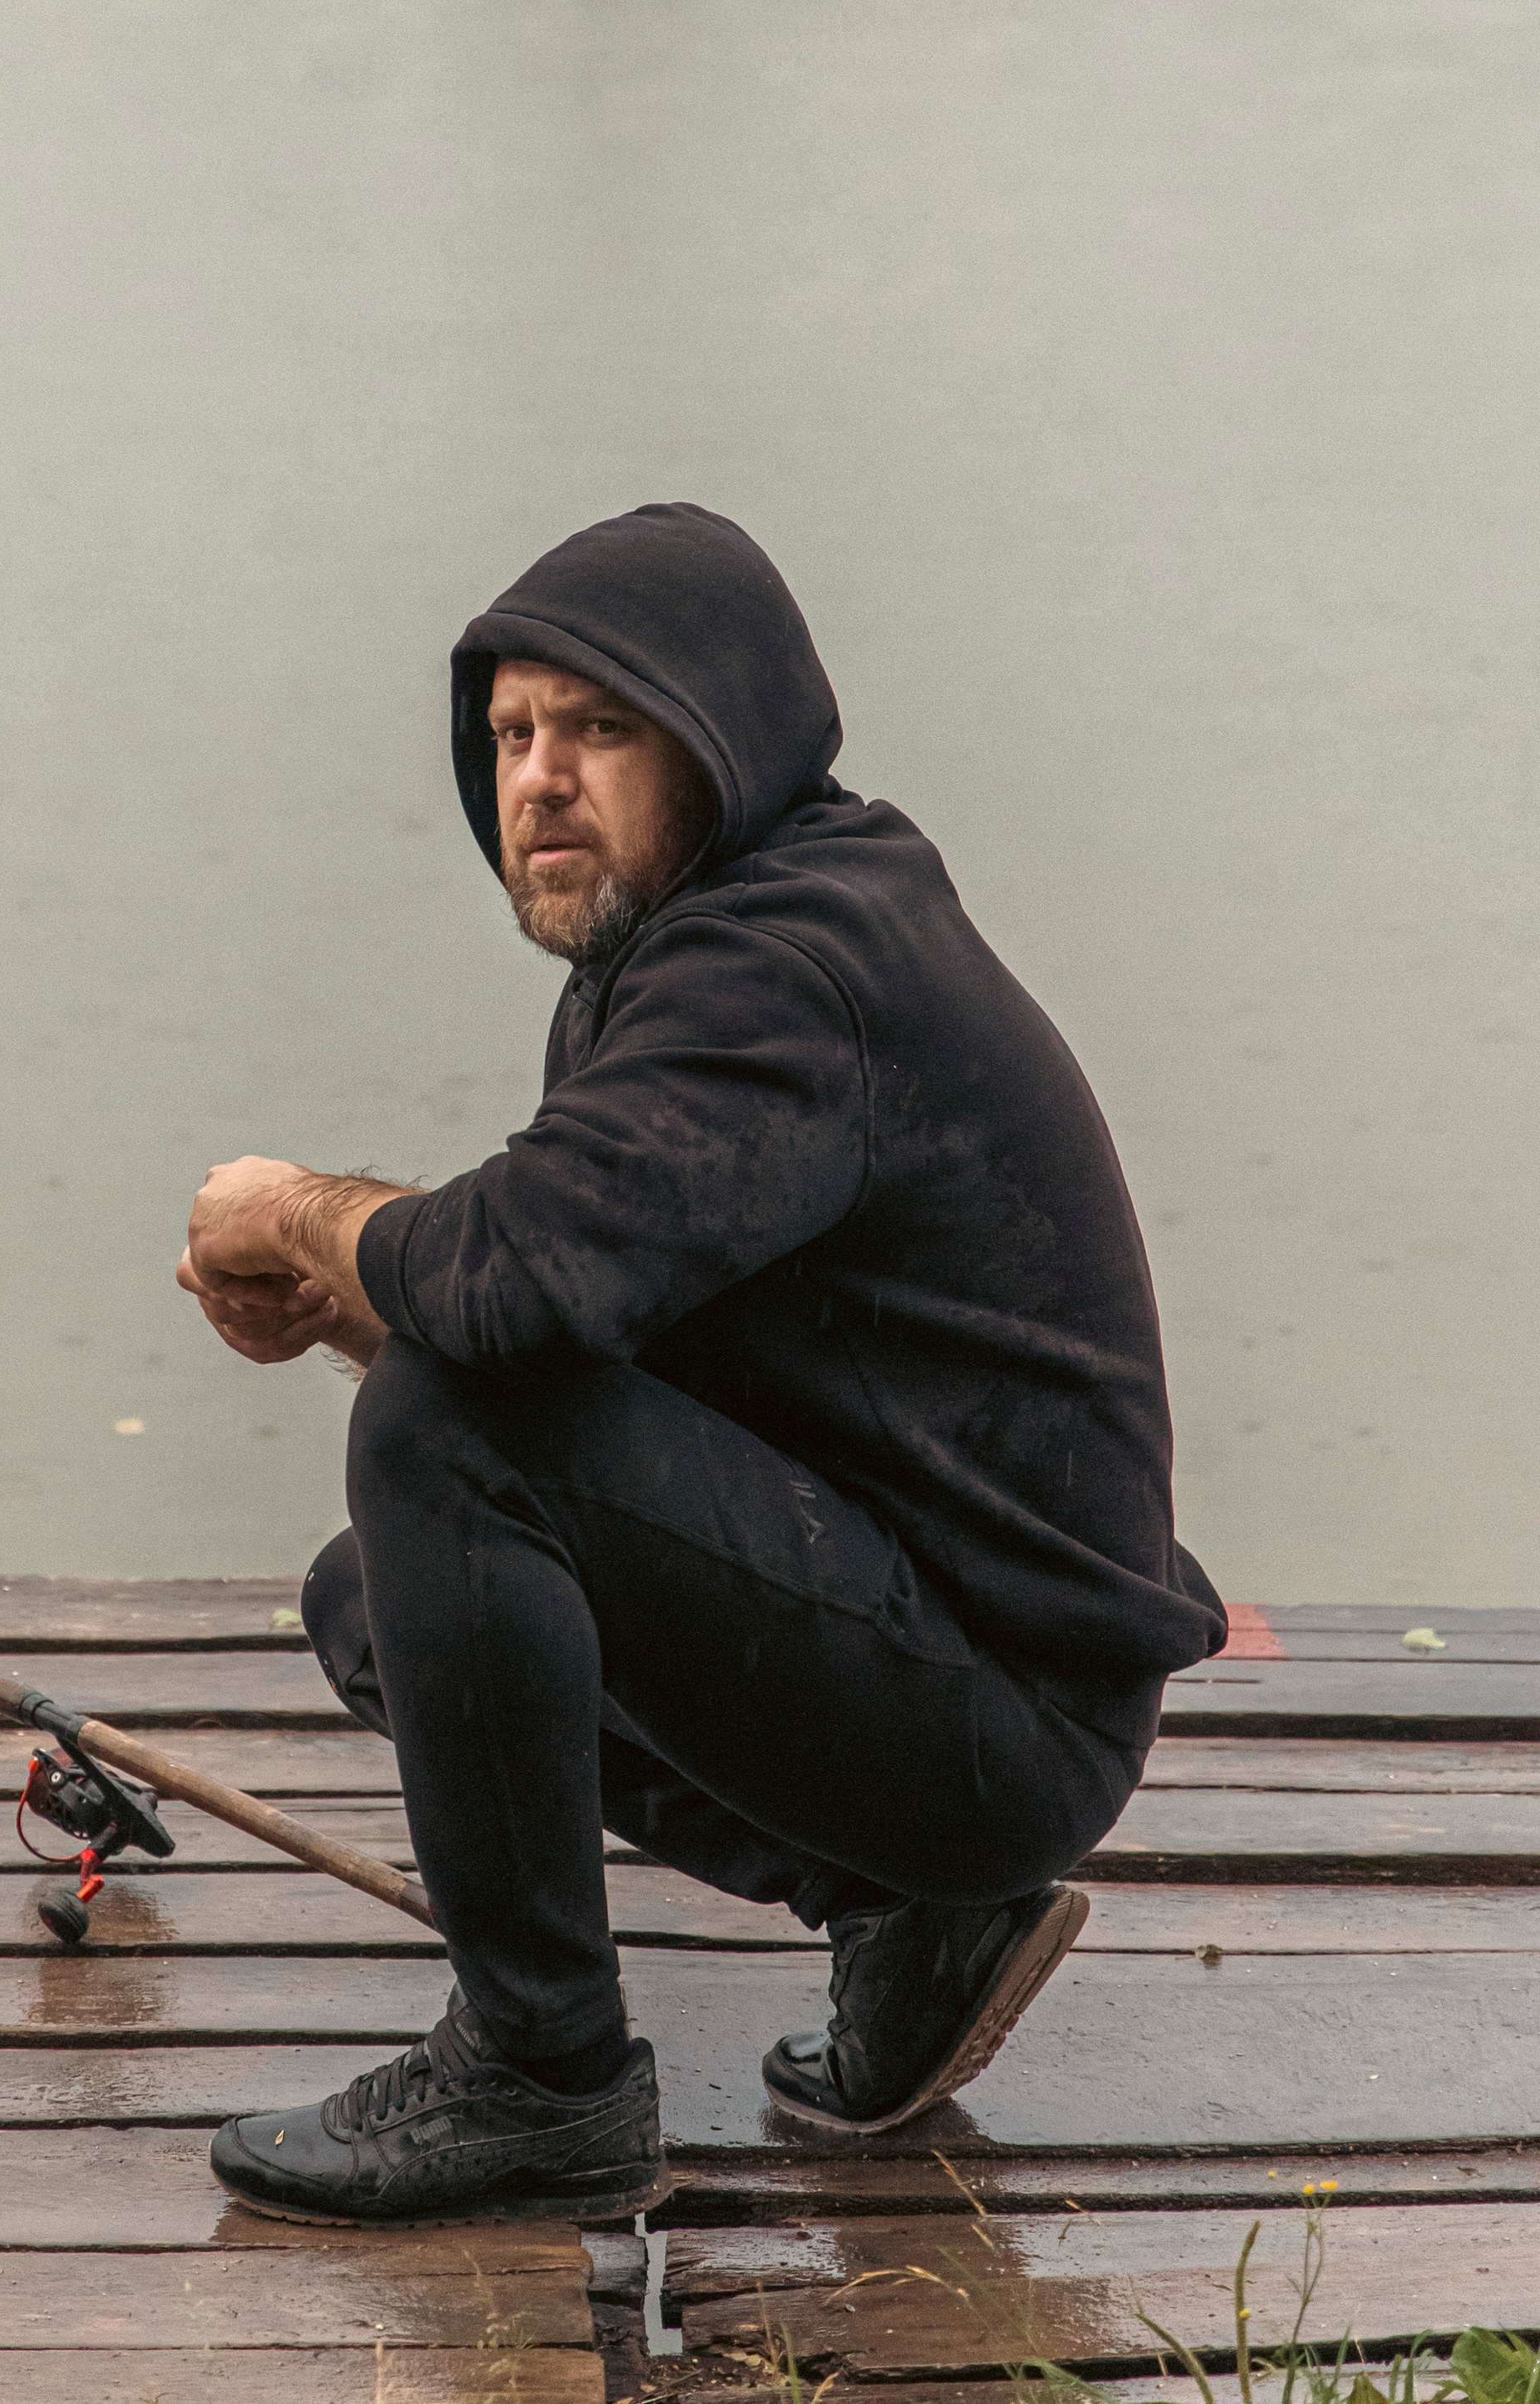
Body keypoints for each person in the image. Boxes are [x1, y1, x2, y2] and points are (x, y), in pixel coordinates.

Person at [177, 502, 1226, 2225]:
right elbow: (590, 1330)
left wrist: (293, 1209)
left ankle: (541, 2080)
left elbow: (513, 1301)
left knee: (442, 1427)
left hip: (1011, 1713)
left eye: (598, 728)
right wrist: (342, 1302)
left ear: (721, 738)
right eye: (510, 735)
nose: (537, 780)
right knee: (380, 1595)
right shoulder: (702, 944)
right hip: (959, 1664)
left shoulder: (782, 969)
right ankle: (908, 1914)